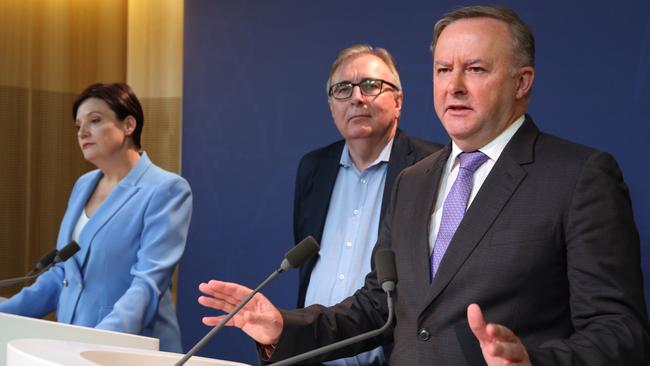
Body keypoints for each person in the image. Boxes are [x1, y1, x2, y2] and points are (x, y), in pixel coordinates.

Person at [197, 5, 650, 365]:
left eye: (475, 69)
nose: (454, 87)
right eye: (442, 70)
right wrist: (283, 326)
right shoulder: (413, 181)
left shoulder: (579, 176)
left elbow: (619, 333)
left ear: (521, 82)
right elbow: (379, 307)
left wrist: (534, 361)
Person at [0, 83, 192, 352]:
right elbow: (62, 274)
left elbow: (147, 284)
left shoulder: (166, 189)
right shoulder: (83, 184)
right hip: (73, 344)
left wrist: (98, 343)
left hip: (128, 349)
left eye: (95, 120)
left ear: (128, 125)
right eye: (78, 125)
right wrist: (4, 313)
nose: (83, 132)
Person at [294, 44, 441, 365]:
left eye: (371, 86)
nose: (357, 98)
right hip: (313, 356)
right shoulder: (313, 168)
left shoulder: (432, 166)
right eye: (343, 89)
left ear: (398, 101)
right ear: (332, 106)